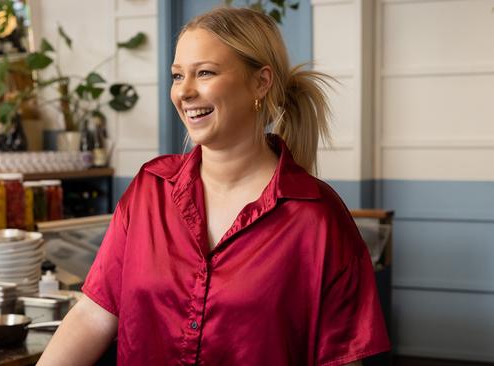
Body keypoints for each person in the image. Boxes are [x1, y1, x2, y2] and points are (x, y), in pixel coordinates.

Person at [37, 7, 390, 366]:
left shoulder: (318, 218)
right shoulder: (149, 191)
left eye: (205, 73)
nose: (184, 92)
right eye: (177, 76)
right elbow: (94, 315)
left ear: (260, 82)